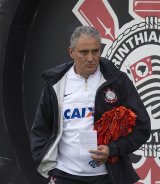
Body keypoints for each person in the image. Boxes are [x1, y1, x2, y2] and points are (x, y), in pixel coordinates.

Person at [30, 25, 151, 184]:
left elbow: (142, 127)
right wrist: (50, 167)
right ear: (71, 52)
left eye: (95, 51)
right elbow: (40, 129)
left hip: (108, 177)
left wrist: (112, 149)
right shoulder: (56, 83)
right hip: (65, 175)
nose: (90, 58)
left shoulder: (117, 81)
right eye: (84, 52)